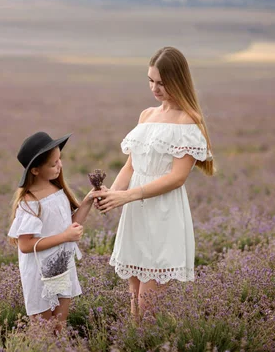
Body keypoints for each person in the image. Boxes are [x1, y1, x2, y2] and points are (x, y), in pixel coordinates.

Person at [91, 47, 215, 319]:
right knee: (134, 301)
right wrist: (112, 194)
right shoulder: (146, 115)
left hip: (163, 214)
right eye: (150, 81)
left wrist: (128, 196)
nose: (154, 88)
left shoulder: (188, 120)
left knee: (148, 308)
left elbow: (177, 178)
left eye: (162, 82)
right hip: (136, 213)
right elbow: (131, 165)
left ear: (179, 80)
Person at [8, 131, 95, 331]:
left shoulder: (58, 192)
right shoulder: (30, 202)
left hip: (63, 267)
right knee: (43, 331)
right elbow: (25, 245)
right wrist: (65, 237)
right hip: (39, 274)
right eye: (53, 164)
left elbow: (71, 225)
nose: (60, 166)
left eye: (60, 160)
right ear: (36, 170)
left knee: (59, 327)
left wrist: (88, 201)